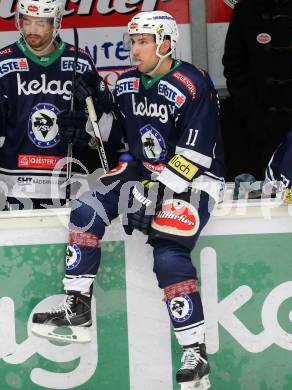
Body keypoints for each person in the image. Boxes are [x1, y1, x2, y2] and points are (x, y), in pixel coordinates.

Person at [32, 10, 225, 388]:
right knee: (87, 210)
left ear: (166, 43)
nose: (133, 50)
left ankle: (195, 352)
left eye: (142, 42)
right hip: (141, 175)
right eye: (131, 42)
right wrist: (87, 118)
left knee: (168, 253)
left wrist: (153, 196)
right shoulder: (125, 84)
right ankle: (78, 306)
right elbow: (117, 140)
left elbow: (196, 156)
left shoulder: (193, 82)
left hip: (194, 182)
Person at [0, 0, 113, 210]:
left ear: (55, 23)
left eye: (41, 23)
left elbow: (103, 126)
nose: (32, 30)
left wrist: (85, 131)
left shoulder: (81, 62)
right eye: (27, 21)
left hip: (69, 184)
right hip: (14, 184)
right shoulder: (3, 63)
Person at [222, 0, 292, 180]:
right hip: (263, 127)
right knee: (270, 195)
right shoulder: (246, 9)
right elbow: (234, 67)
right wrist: (254, 117)